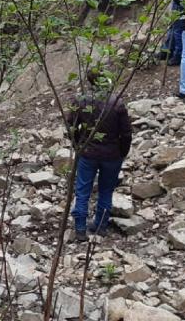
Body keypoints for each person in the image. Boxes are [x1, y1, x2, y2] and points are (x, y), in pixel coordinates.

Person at [68, 70, 132, 242]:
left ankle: (80, 229)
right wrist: (122, 152)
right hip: (112, 155)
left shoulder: (81, 101)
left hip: (88, 153)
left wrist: (78, 145)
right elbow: (126, 133)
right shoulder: (117, 103)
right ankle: (100, 226)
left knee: (82, 191)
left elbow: (71, 127)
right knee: (106, 191)